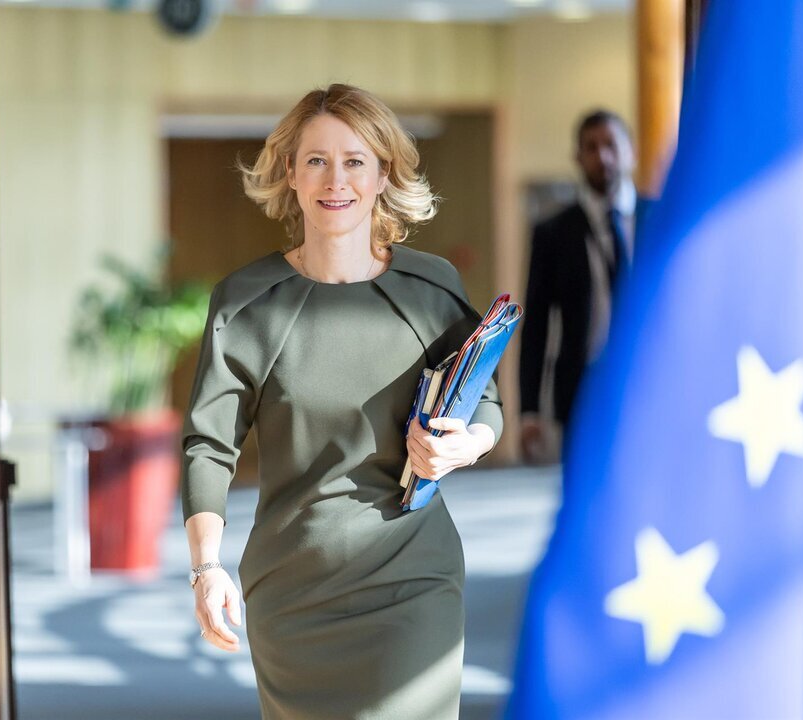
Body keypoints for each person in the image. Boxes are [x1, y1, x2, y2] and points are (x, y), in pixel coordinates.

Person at [180, 84, 504, 719]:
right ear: (291, 174)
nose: (336, 180)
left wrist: (468, 445)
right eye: (317, 160)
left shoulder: (431, 287)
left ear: (383, 174)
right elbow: (208, 445)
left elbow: (485, 400)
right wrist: (205, 568)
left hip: (414, 577)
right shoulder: (246, 302)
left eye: (355, 161)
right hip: (293, 594)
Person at [518, 109, 636, 463]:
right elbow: (536, 324)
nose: (603, 157)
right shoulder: (553, 232)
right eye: (591, 147)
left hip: (649, 378)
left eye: (611, 145)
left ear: (630, 151)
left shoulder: (658, 219)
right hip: (582, 390)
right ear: (578, 157)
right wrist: (529, 410)